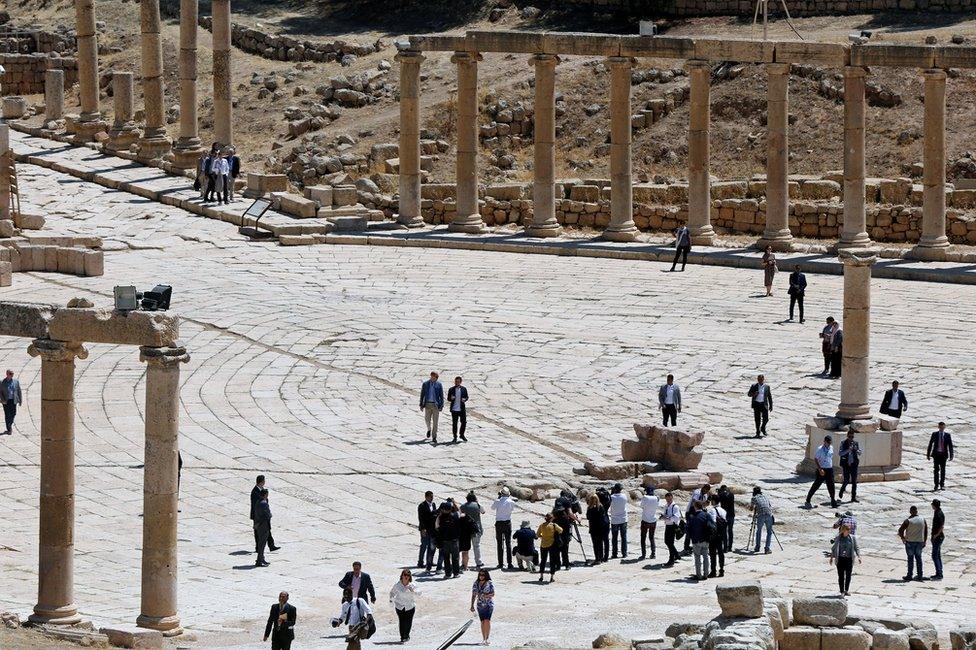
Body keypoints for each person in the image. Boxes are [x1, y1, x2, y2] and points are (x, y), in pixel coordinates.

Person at [806, 435, 838, 509]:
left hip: (829, 469)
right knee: (816, 485)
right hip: (822, 469)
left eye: (830, 443)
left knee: (831, 485)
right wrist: (820, 469)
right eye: (828, 443)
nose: (829, 444)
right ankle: (808, 499)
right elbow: (816, 459)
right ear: (824, 442)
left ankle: (833, 500)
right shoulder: (820, 449)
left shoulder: (831, 448)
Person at [898, 505, 928, 581]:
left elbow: (900, 530)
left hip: (910, 542)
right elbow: (926, 531)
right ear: (917, 511)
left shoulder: (908, 521)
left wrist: (903, 538)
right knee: (919, 559)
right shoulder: (922, 519)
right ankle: (920, 575)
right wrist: (924, 540)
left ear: (910, 511)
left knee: (910, 559)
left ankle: (909, 575)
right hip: (919, 542)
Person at [389, 569, 420, 643]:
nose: (406, 577)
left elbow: (419, 594)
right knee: (402, 621)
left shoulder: (412, 585)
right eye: (405, 575)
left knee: (408, 622)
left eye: (408, 575)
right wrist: (391, 600)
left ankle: (406, 635)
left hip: (410, 606)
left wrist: (413, 591)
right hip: (400, 606)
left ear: (409, 577)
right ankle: (402, 636)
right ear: (402, 576)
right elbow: (392, 593)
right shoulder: (397, 585)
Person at [251, 476, 280, 553]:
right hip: (258, 515)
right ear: (261, 482)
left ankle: (271, 545)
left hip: (264, 515)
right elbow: (255, 505)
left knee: (267, 530)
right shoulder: (255, 492)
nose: (264, 482)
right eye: (264, 481)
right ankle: (258, 547)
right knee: (257, 532)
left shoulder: (262, 489)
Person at [829, 524, 860, 597]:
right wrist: (831, 558)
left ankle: (846, 590)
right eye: (848, 529)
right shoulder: (838, 538)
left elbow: (856, 547)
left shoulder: (852, 538)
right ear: (844, 530)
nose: (849, 531)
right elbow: (833, 548)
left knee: (848, 575)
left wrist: (859, 556)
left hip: (849, 559)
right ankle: (842, 591)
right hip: (840, 559)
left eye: (850, 529)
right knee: (841, 576)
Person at [491, 487, 517, 569]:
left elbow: (492, 508)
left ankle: (500, 563)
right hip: (507, 523)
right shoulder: (511, 502)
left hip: (499, 523)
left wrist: (499, 499)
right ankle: (509, 563)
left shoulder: (497, 501)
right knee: (508, 543)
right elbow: (512, 509)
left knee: (499, 543)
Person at [435, 502, 461, 579]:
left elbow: (436, 526)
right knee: (455, 558)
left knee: (446, 558)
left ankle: (448, 574)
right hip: (454, 540)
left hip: (445, 541)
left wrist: (439, 515)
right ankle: (456, 573)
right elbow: (460, 512)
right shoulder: (456, 515)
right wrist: (454, 503)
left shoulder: (441, 517)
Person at [926, 422, 954, 491]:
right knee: (936, 470)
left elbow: (950, 446)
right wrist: (928, 454)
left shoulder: (947, 435)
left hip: (943, 455)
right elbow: (930, 444)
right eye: (940, 427)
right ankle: (936, 485)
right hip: (936, 455)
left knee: (943, 470)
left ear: (944, 427)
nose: (941, 428)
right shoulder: (934, 434)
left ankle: (942, 485)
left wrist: (951, 455)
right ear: (938, 427)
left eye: (942, 427)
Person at [460, 492, 485, 569]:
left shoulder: (463, 506)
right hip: (476, 529)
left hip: (466, 529)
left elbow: (460, 514)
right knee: (476, 546)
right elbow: (483, 511)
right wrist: (477, 502)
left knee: (465, 548)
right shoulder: (477, 505)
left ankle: (464, 563)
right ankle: (478, 562)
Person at [684, 484, 711, 554]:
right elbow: (694, 502)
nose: (706, 492)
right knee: (689, 530)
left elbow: (703, 505)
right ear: (703, 488)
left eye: (707, 491)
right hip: (691, 512)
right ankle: (686, 547)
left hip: (699, 513)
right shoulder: (697, 492)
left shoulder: (705, 495)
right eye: (705, 490)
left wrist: (706, 503)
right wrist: (703, 503)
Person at [687, 501, 711, 580]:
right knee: (706, 557)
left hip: (696, 540)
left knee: (697, 558)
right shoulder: (706, 515)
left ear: (696, 507)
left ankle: (699, 575)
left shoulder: (693, 517)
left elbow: (688, 529)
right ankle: (706, 574)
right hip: (706, 539)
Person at [470, 569, 494, 645]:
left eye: (483, 575)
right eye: (480, 575)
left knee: (487, 620)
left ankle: (487, 638)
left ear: (486, 575)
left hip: (489, 604)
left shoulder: (489, 583)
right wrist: (472, 605)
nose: (481, 576)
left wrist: (485, 595)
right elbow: (473, 595)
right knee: (482, 621)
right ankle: (484, 638)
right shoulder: (476, 583)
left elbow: (493, 594)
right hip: (480, 605)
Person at [537, 513, 563, 582]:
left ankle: (541, 576)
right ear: (551, 518)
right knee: (552, 561)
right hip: (552, 544)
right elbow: (561, 530)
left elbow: (538, 535)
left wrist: (543, 537)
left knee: (543, 560)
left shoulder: (542, 525)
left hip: (543, 544)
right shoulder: (554, 525)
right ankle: (551, 577)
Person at [419, 371, 444, 444]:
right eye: (433, 376)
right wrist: (421, 404)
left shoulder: (439, 385)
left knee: (435, 422)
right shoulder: (425, 384)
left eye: (435, 377)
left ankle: (434, 437)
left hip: (435, 405)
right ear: (431, 376)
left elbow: (441, 396)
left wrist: (441, 405)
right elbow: (422, 394)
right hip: (427, 404)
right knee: (427, 419)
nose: (434, 378)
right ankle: (429, 429)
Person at [706, 494, 726, 578]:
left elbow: (713, 523)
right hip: (721, 534)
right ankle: (721, 570)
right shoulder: (723, 510)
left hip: (714, 535)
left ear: (713, 501)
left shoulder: (712, 510)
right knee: (720, 552)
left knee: (713, 553)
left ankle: (713, 571)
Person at [838, 431, 862, 502]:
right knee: (846, 480)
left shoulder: (855, 443)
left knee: (854, 481)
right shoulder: (843, 443)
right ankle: (842, 489)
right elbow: (840, 453)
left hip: (854, 464)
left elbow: (859, 452)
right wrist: (848, 450)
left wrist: (858, 451)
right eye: (850, 437)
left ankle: (853, 497)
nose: (851, 438)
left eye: (852, 437)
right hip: (846, 464)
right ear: (847, 436)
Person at [553, 501, 577, 570]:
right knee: (565, 551)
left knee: (557, 552)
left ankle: (558, 565)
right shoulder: (566, 518)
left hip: (556, 536)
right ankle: (566, 565)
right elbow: (569, 526)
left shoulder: (554, 518)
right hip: (565, 536)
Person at [585, 494, 610, 564]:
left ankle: (597, 558)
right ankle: (601, 558)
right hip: (600, 527)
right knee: (600, 543)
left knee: (595, 544)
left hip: (593, 527)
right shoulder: (600, 507)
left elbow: (588, 517)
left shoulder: (589, 508)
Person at [750, 486, 774, 554]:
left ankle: (757, 547)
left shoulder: (754, 498)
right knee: (769, 532)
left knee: (759, 531)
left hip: (761, 515)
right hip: (769, 514)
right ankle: (767, 548)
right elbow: (769, 506)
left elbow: (751, 509)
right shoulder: (765, 497)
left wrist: (755, 508)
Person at [418, 490, 438, 570]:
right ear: (426, 497)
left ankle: (429, 561)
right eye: (430, 497)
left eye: (432, 497)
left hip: (432, 529)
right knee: (424, 545)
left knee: (431, 546)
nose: (432, 498)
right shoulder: (422, 505)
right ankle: (420, 562)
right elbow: (421, 518)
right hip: (425, 529)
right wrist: (423, 529)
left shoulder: (433, 504)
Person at [661, 492, 682, 566]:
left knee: (670, 543)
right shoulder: (666, 506)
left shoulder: (675, 507)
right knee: (667, 542)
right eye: (667, 499)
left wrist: (667, 518)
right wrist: (663, 517)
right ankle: (676, 555)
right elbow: (665, 514)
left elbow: (676, 517)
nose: (668, 501)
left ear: (672, 498)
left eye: (669, 499)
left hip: (673, 526)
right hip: (668, 525)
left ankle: (671, 559)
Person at [609, 483, 628, 559]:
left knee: (614, 538)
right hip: (623, 519)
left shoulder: (611, 497)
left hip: (614, 520)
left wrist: (611, 493)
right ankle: (624, 553)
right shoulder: (624, 496)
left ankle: (614, 554)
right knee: (624, 537)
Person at [639, 486, 659, 560]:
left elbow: (641, 506)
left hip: (645, 520)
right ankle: (653, 554)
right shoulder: (657, 498)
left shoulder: (645, 497)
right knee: (651, 537)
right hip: (653, 520)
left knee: (643, 538)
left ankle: (643, 554)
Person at [447, 376, 469, 443]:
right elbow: (448, 398)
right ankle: (455, 437)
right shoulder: (451, 389)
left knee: (464, 422)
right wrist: (451, 398)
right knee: (454, 424)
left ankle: (461, 434)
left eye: (458, 382)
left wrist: (465, 399)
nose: (457, 383)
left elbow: (467, 397)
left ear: (460, 382)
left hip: (461, 409)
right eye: (456, 381)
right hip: (454, 409)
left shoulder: (464, 389)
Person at [0, 369, 22, 435]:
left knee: (13, 413)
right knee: (7, 414)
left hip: (13, 400)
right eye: (11, 374)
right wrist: (1, 400)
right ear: (7, 374)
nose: (12, 375)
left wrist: (20, 400)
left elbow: (19, 391)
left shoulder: (16, 381)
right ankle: (9, 428)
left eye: (12, 374)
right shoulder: (2, 382)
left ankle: (10, 424)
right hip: (6, 401)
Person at [253, 489, 272, 567]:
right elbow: (268, 515)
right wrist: (270, 515)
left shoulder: (258, 502)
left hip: (259, 525)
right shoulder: (264, 503)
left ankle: (261, 559)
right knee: (262, 544)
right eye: (267, 494)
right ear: (265, 495)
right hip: (264, 526)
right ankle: (259, 561)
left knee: (261, 543)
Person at [718, 485, 736, 552]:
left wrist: (719, 493)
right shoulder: (731, 494)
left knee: (724, 532)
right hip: (731, 515)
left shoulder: (721, 495)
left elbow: (717, 501)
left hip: (724, 515)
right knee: (730, 531)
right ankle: (730, 547)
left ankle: (725, 548)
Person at [930, 499, 944, 581]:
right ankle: (939, 572)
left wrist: (935, 535)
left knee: (934, 555)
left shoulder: (939, 514)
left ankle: (939, 574)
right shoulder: (937, 512)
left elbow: (941, 527)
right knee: (937, 555)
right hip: (937, 537)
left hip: (938, 537)